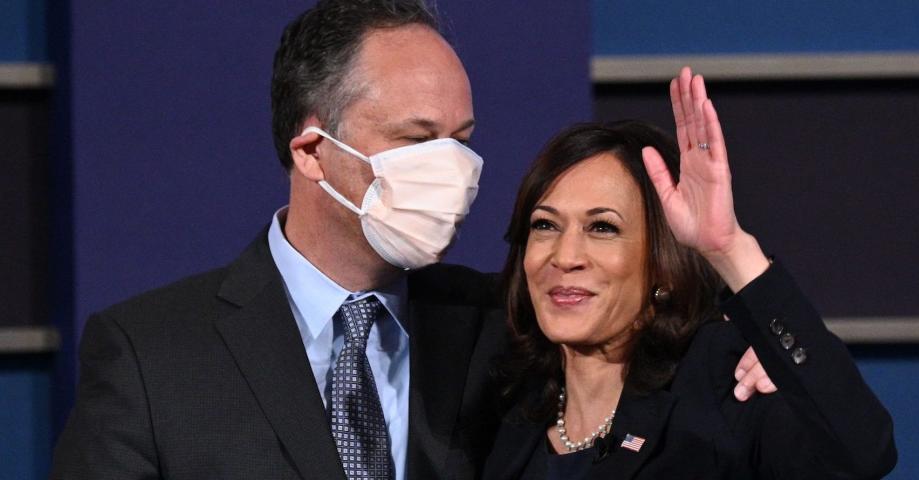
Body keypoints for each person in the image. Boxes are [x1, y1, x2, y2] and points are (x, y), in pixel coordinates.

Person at [50, 2, 775, 479]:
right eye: (418, 139)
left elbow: (661, 368)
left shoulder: (511, 327)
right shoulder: (150, 354)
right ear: (311, 152)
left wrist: (749, 342)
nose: (453, 170)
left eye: (462, 140)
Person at [482, 68, 896, 479]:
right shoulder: (506, 408)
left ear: (661, 262)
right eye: (545, 225)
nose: (565, 256)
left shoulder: (725, 378)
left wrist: (728, 247)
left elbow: (861, 455)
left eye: (602, 228)